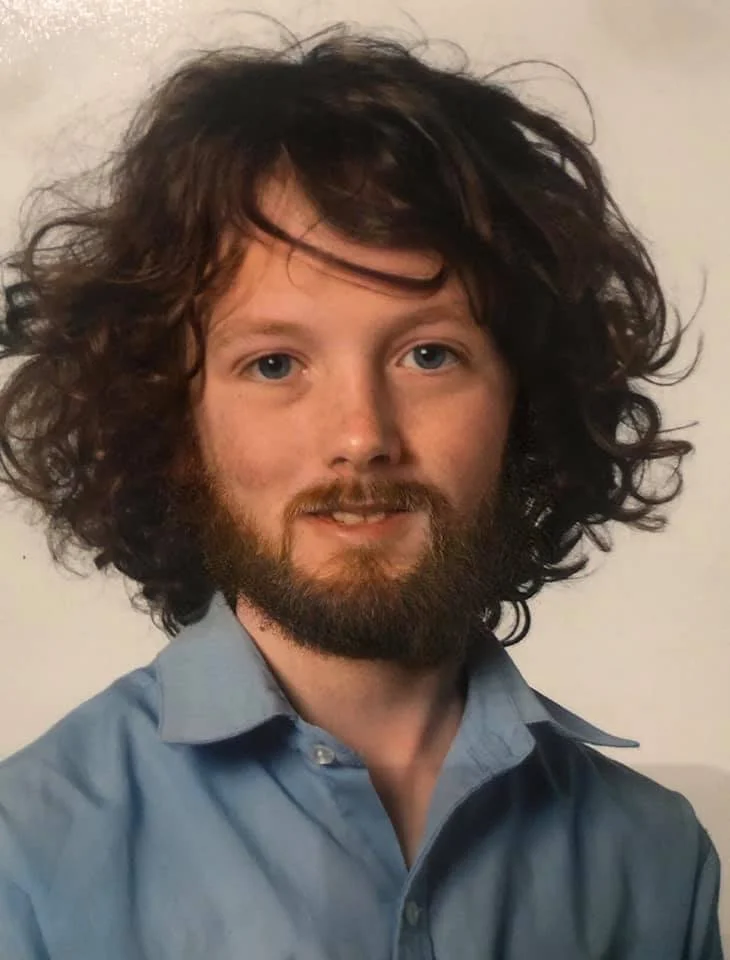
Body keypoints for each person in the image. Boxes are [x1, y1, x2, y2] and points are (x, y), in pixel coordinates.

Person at [0, 23, 722, 960]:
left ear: (528, 406)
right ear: (176, 426)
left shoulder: (656, 860)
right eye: (274, 364)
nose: (361, 437)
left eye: (430, 354)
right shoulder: (26, 858)